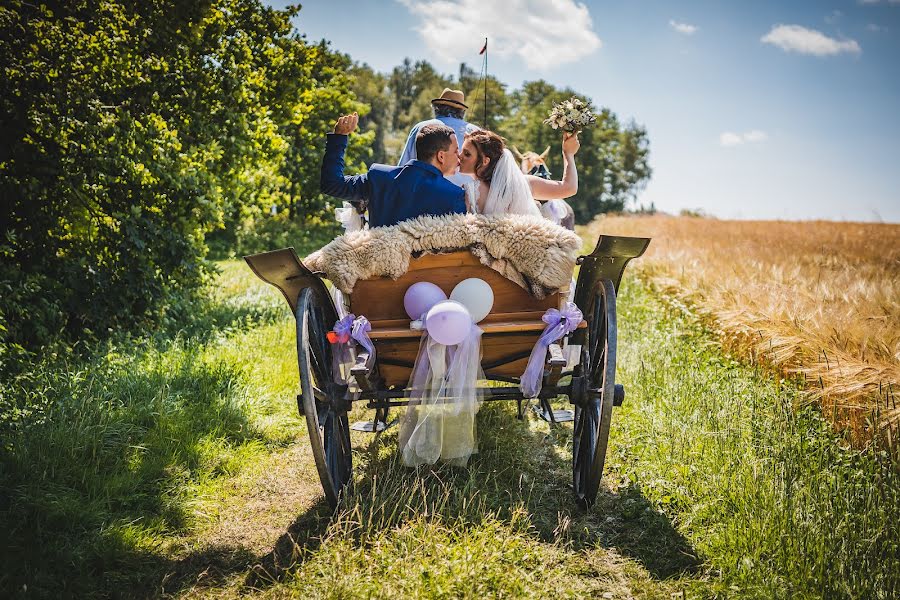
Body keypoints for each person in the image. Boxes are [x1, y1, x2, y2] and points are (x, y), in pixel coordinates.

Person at [320, 112, 466, 228]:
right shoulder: (454, 195)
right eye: (455, 151)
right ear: (441, 156)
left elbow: (332, 184)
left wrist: (339, 138)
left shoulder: (378, 176)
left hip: (379, 264)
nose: (459, 156)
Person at [458, 129, 580, 218]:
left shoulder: (470, 191)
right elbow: (569, 188)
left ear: (485, 161)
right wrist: (568, 154)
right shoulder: (524, 183)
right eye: (461, 151)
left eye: (467, 154)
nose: (460, 156)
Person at [399, 88, 479, 186]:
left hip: (424, 192)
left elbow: (403, 167)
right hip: (467, 197)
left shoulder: (421, 127)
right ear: (462, 112)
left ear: (437, 108)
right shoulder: (476, 132)